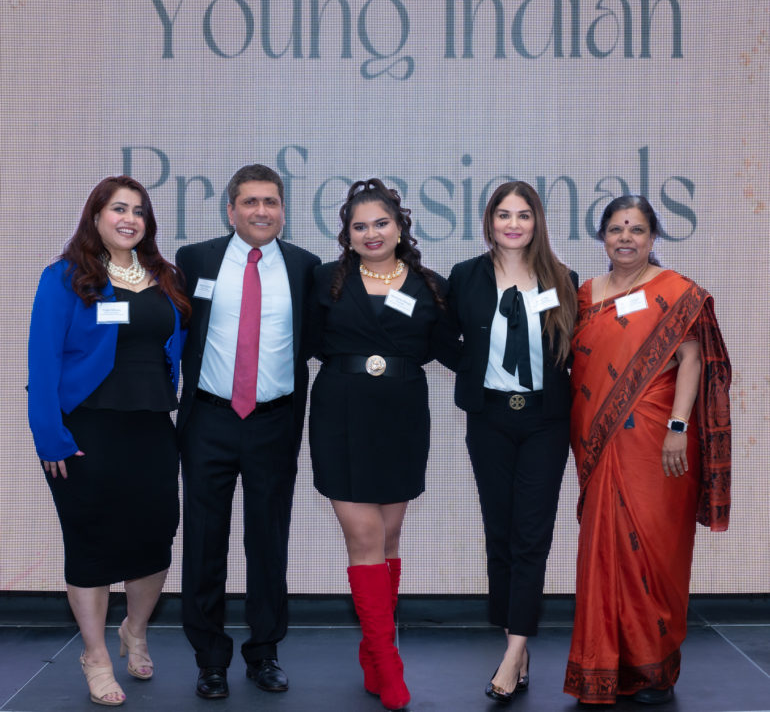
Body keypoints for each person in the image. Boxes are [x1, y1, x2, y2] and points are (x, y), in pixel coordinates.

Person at [27, 175, 189, 706]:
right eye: (119, 209)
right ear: (95, 216)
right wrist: (49, 437)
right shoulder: (65, 278)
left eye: (139, 211)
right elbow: (43, 361)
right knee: (91, 543)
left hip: (152, 427)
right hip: (85, 432)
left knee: (155, 537)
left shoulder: (166, 277)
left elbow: (179, 347)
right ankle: (95, 656)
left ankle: (134, 632)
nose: (129, 219)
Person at [564, 195, 731, 706]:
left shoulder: (675, 292)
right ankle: (603, 666)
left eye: (636, 229)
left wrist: (678, 426)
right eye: (616, 229)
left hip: (660, 442)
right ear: (602, 238)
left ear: (653, 237)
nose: (625, 238)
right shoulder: (585, 294)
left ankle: (653, 668)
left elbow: (692, 360)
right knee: (604, 551)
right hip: (598, 441)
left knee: (656, 549)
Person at [309, 179, 458, 711]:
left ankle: (373, 651)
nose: (371, 233)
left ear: (400, 227)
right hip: (339, 415)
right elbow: (304, 341)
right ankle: (390, 661)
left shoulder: (431, 285)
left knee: (389, 538)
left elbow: (446, 350)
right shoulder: (325, 280)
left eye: (381, 223)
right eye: (359, 226)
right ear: (347, 235)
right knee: (366, 536)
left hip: (402, 417)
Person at [176, 163, 320, 700]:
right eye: (251, 202)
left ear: (283, 210)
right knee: (204, 541)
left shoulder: (305, 267)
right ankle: (210, 659)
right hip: (209, 420)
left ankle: (264, 653)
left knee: (268, 541)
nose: (262, 211)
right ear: (230, 210)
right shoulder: (196, 260)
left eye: (271, 202)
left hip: (274, 423)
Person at [447, 180, 577, 704]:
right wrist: (473, 370)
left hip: (546, 421)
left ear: (537, 221)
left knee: (531, 535)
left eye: (524, 214)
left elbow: (575, 349)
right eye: (504, 214)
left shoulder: (563, 279)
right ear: (490, 221)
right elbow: (441, 337)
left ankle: (512, 651)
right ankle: (517, 646)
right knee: (499, 534)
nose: (514, 224)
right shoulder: (466, 277)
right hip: (491, 419)